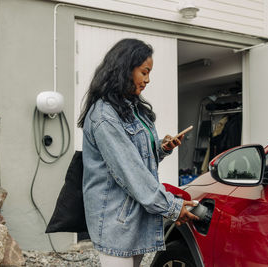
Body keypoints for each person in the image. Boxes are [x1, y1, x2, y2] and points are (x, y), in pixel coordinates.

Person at [77, 38, 198, 267]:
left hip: (133, 217)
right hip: (116, 220)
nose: (148, 79)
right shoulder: (104, 115)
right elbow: (130, 170)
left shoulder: (132, 107)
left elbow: (135, 154)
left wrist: (162, 147)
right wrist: (172, 208)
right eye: (144, 72)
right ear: (125, 68)